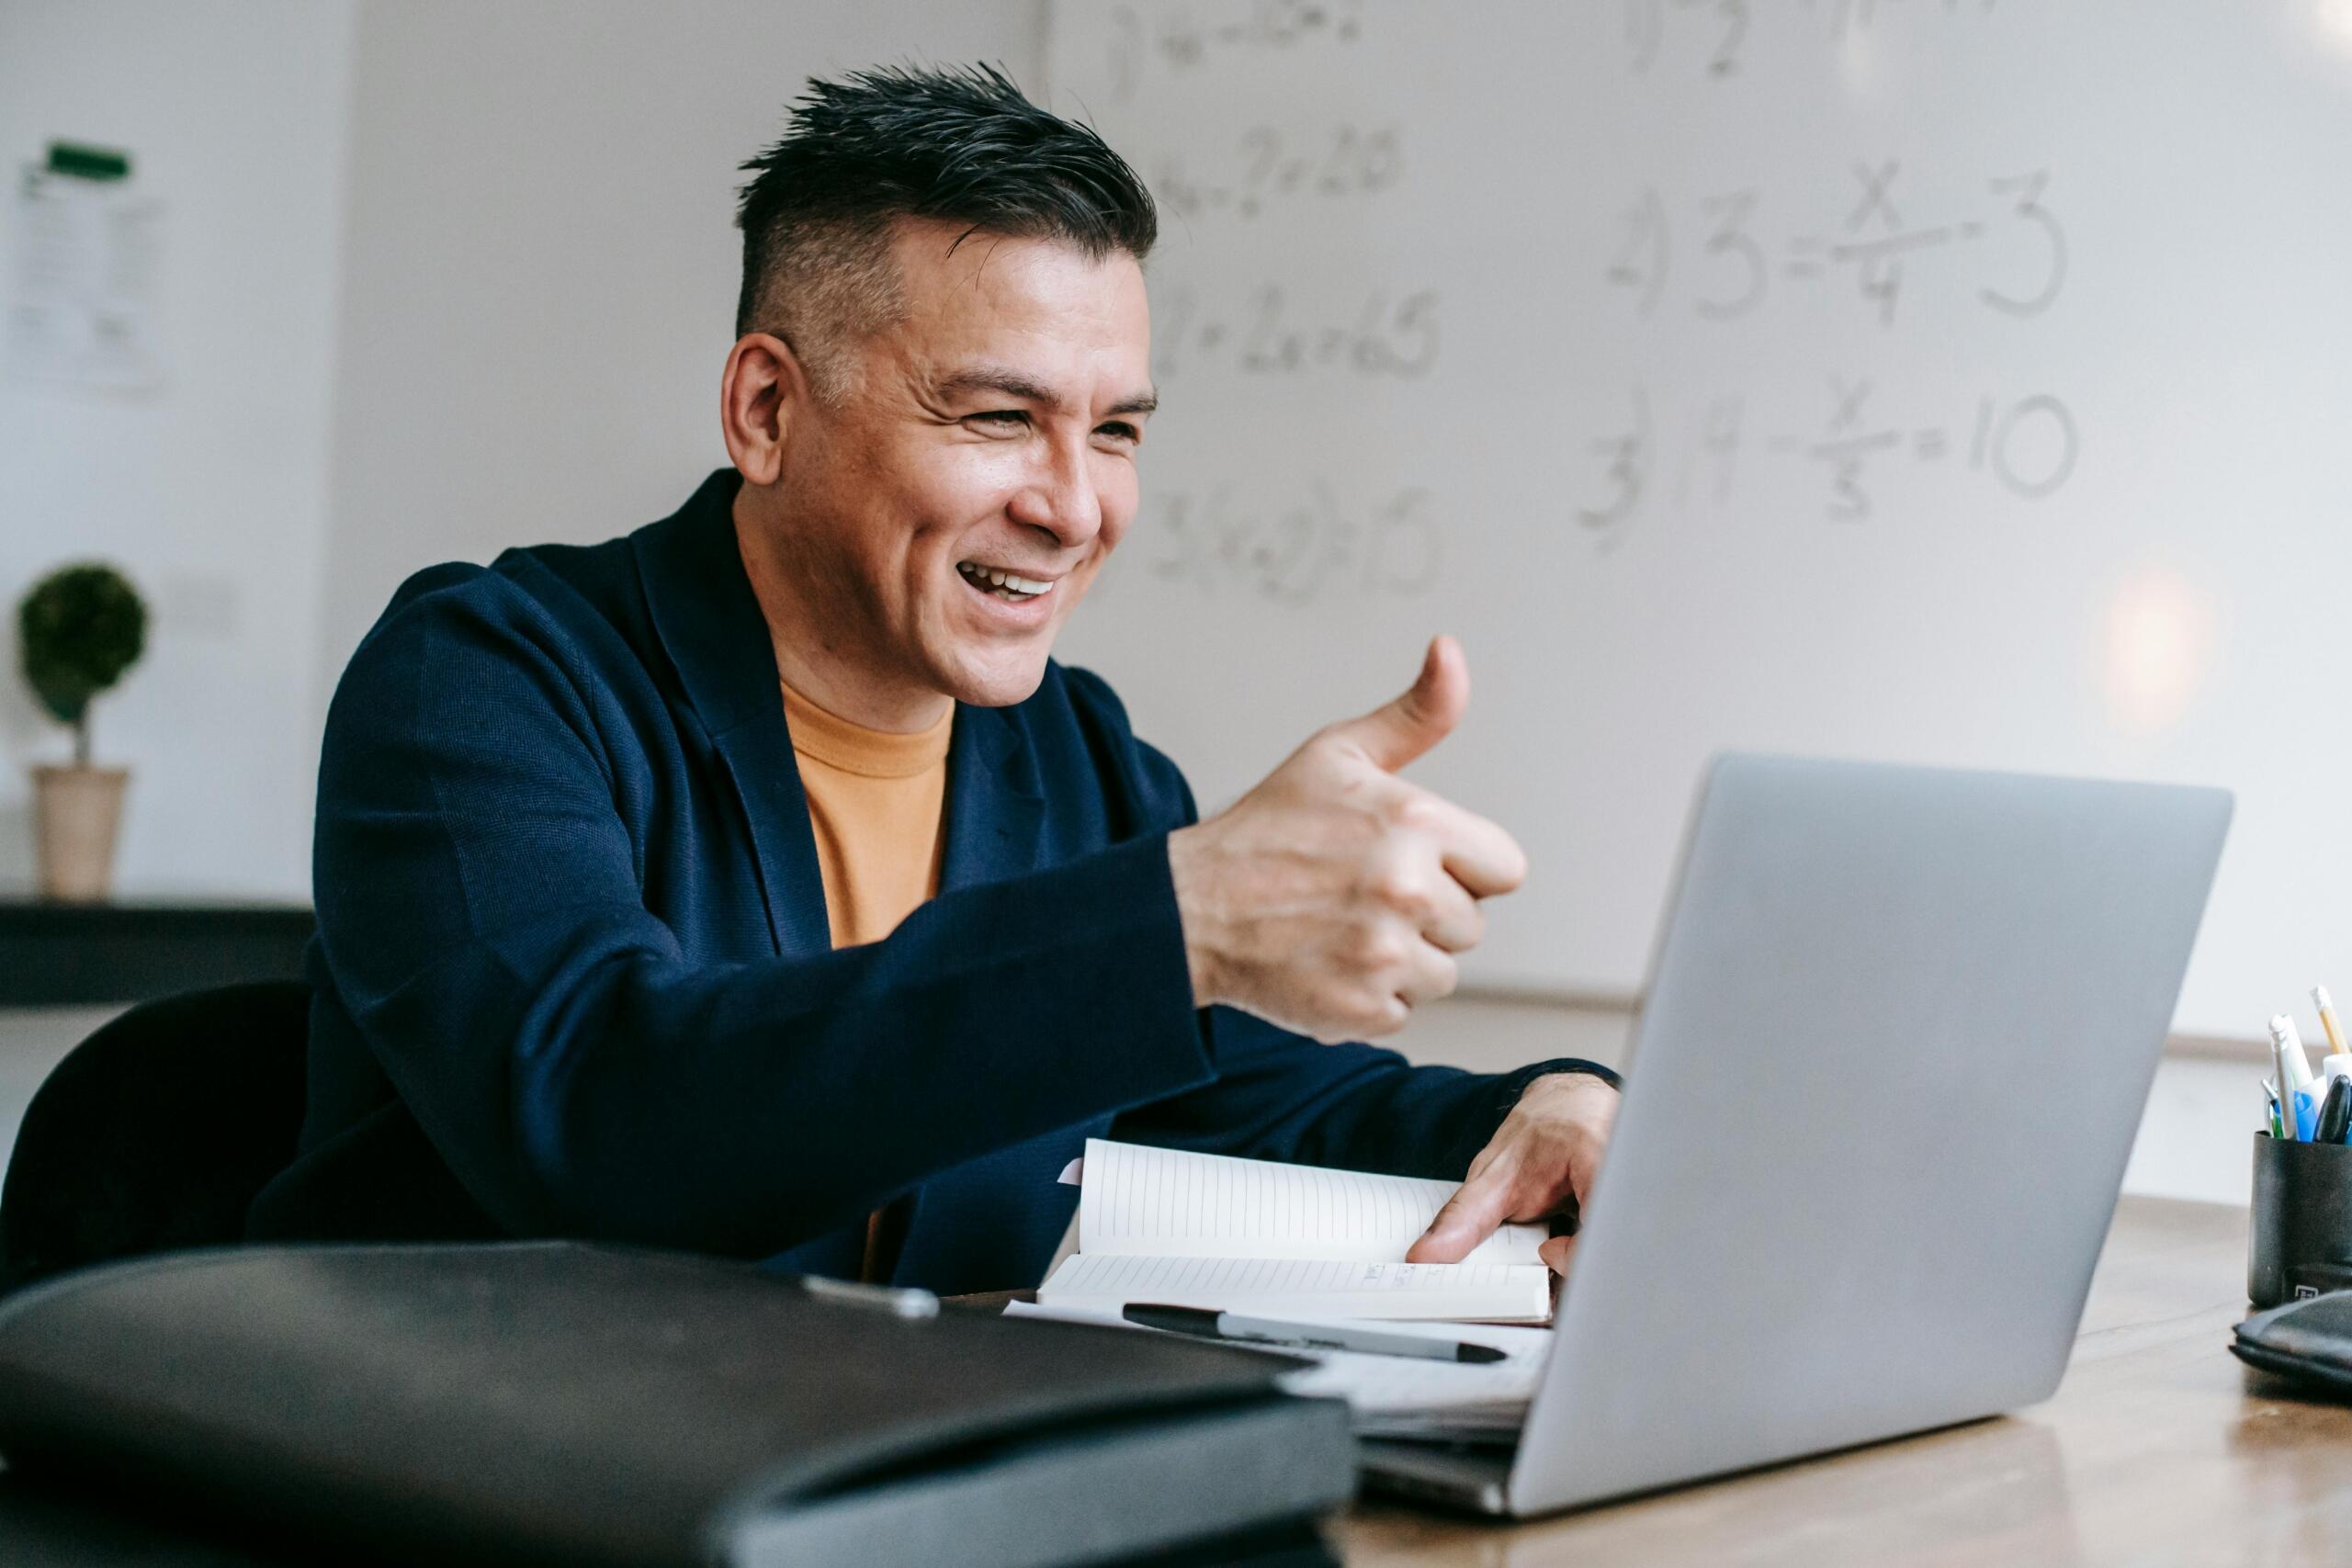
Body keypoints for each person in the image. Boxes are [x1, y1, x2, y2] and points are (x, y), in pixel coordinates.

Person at [248, 65, 1622, 1294]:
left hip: (872, 1478)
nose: (1077, 509)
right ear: (768, 410)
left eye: (1119, 431)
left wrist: (1541, 1105)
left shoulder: (1078, 754)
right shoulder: (484, 678)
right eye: (1000, 418)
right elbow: (594, 1111)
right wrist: (1176, 920)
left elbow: (1226, 1095)